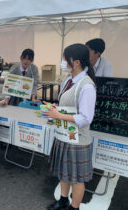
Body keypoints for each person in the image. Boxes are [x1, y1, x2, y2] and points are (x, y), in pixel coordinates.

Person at [43, 44, 96, 210]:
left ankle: (74, 207)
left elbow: (86, 118)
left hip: (78, 141)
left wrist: (59, 116)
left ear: (77, 62)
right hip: (64, 135)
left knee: (77, 178)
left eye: (66, 59)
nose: (63, 62)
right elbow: (66, 106)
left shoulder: (86, 86)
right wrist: (53, 109)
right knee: (64, 172)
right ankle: (63, 200)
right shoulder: (69, 80)